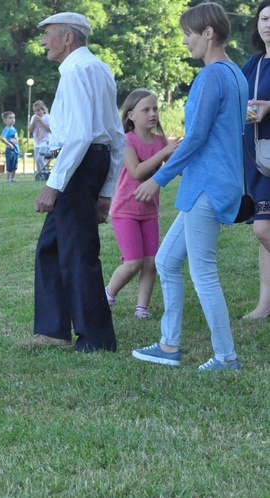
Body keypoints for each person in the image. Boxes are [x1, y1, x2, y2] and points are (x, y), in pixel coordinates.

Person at [131, 2, 246, 371]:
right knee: (165, 260)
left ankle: (226, 356)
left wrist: (157, 178)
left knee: (203, 272)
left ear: (208, 33)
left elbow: (195, 138)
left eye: (188, 34)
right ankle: (168, 345)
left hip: (207, 188)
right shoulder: (236, 74)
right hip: (216, 183)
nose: (184, 41)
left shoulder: (212, 75)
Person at [26, 12, 125, 352]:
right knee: (51, 247)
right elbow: (116, 136)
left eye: (47, 34)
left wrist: (53, 184)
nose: (42, 42)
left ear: (67, 38)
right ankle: (54, 330)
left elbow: (80, 136)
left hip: (77, 165)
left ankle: (96, 339)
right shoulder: (99, 68)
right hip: (89, 164)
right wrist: (106, 192)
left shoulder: (75, 71)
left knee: (79, 252)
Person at [105, 89, 181, 319]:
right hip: (125, 211)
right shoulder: (127, 141)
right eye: (145, 110)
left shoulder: (160, 142)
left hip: (149, 212)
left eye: (155, 109)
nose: (152, 114)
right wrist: (165, 152)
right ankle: (107, 295)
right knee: (133, 261)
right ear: (131, 115)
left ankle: (142, 309)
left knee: (151, 262)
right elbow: (137, 172)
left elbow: (176, 170)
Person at [240, 0, 270, 319]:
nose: (268, 24)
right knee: (265, 231)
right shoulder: (255, 63)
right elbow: (242, 101)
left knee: (263, 230)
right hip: (259, 157)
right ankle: (265, 304)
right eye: (263, 18)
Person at [28, 100, 51, 178]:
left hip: (45, 141)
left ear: (43, 110)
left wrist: (41, 122)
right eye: (35, 111)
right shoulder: (33, 117)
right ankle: (40, 175)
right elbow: (30, 130)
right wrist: (34, 121)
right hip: (37, 141)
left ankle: (46, 173)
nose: (37, 112)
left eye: (38, 110)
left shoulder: (47, 117)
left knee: (39, 158)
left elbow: (49, 130)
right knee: (37, 161)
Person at [0, 111, 19, 183]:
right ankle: (7, 179)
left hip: (15, 150)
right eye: (10, 118)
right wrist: (9, 144)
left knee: (14, 165)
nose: (12, 119)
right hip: (10, 150)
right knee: (10, 164)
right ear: (5, 120)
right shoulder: (7, 129)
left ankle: (12, 178)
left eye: (13, 117)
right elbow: (2, 138)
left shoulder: (14, 129)